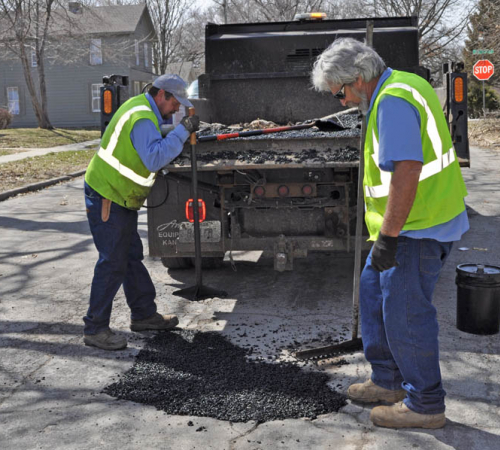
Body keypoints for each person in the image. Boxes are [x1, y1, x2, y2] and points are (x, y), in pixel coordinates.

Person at [311, 38, 469, 429]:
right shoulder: (400, 85)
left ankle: (426, 404)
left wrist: (389, 237)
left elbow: (407, 169)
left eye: (341, 92)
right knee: (372, 293)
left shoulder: (393, 100)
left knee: (406, 314)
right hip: (411, 224)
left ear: (360, 78)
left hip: (417, 227)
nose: (342, 102)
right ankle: (388, 381)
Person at [83, 74, 200, 351]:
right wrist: (182, 131)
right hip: (108, 195)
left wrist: (175, 132)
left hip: (119, 196)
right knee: (113, 262)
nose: (177, 109)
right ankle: (95, 328)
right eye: (175, 103)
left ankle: (144, 315)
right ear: (162, 95)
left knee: (130, 257)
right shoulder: (143, 117)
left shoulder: (142, 108)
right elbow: (154, 157)